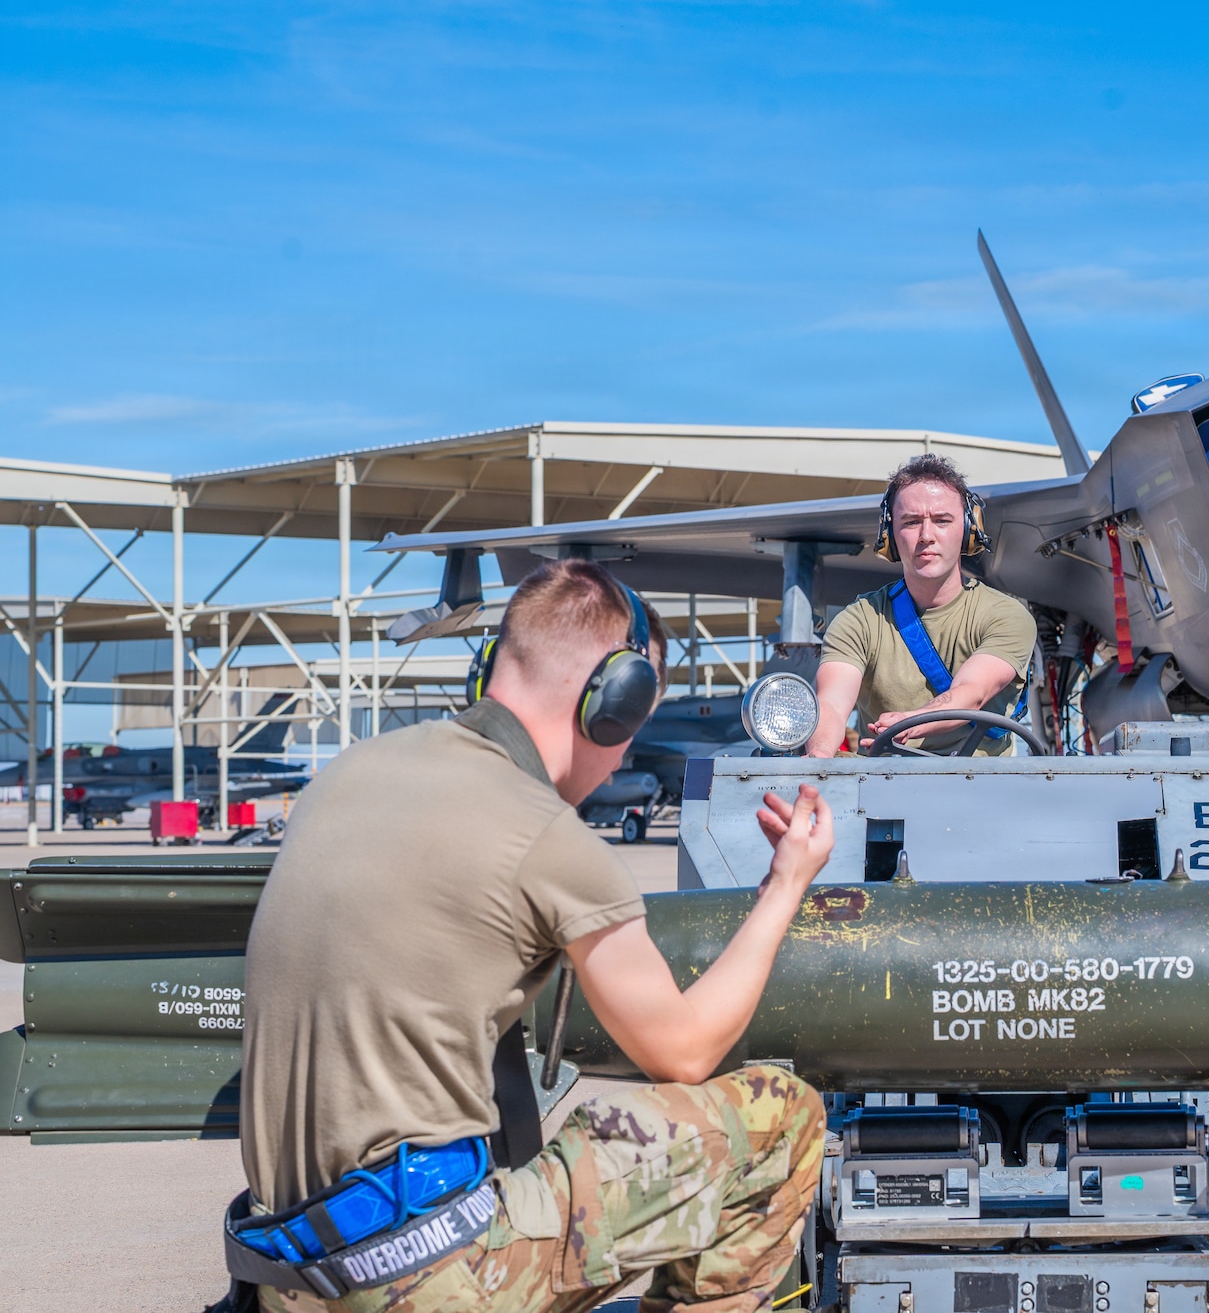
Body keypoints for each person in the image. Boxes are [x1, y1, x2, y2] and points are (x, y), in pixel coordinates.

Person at [224, 558, 834, 1313]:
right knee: (782, 1115)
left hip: (287, 1274)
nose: (621, 755)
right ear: (614, 703)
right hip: (425, 1277)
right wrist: (786, 884)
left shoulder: (347, 775)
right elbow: (685, 1049)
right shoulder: (544, 835)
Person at [807, 453, 1039, 757]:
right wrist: (819, 761)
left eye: (942, 521)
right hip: (881, 788)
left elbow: (971, 693)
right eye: (911, 522)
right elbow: (832, 706)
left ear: (967, 530)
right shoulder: (861, 620)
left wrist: (913, 720)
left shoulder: (1006, 616)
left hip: (984, 790)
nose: (926, 536)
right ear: (890, 534)